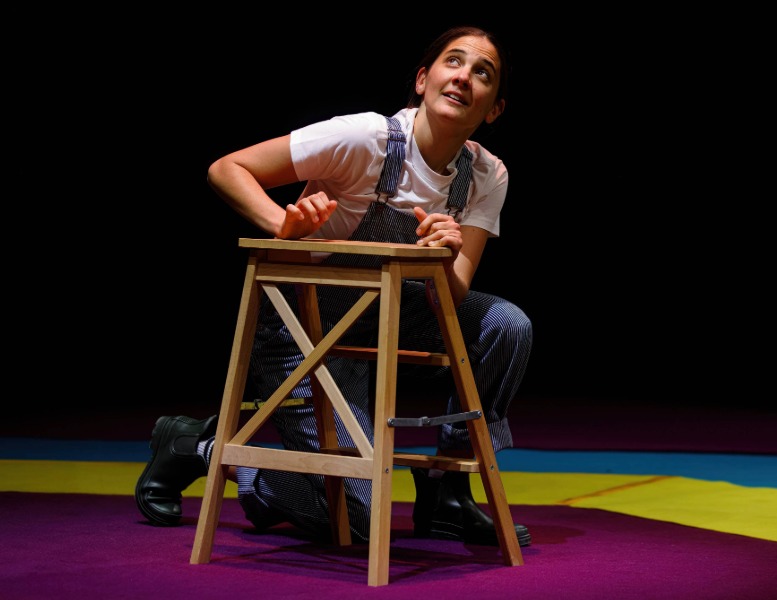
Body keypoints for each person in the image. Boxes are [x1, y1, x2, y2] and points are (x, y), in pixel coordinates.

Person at [135, 25, 532, 547]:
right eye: (453, 62)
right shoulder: (365, 138)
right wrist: (282, 225)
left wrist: (446, 257)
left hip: (394, 312)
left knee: (506, 325)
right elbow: (227, 169)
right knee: (357, 519)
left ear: (494, 108)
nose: (464, 77)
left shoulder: (486, 174)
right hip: (306, 326)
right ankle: (200, 448)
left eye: (483, 72)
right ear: (423, 79)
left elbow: (450, 301)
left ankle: (447, 490)